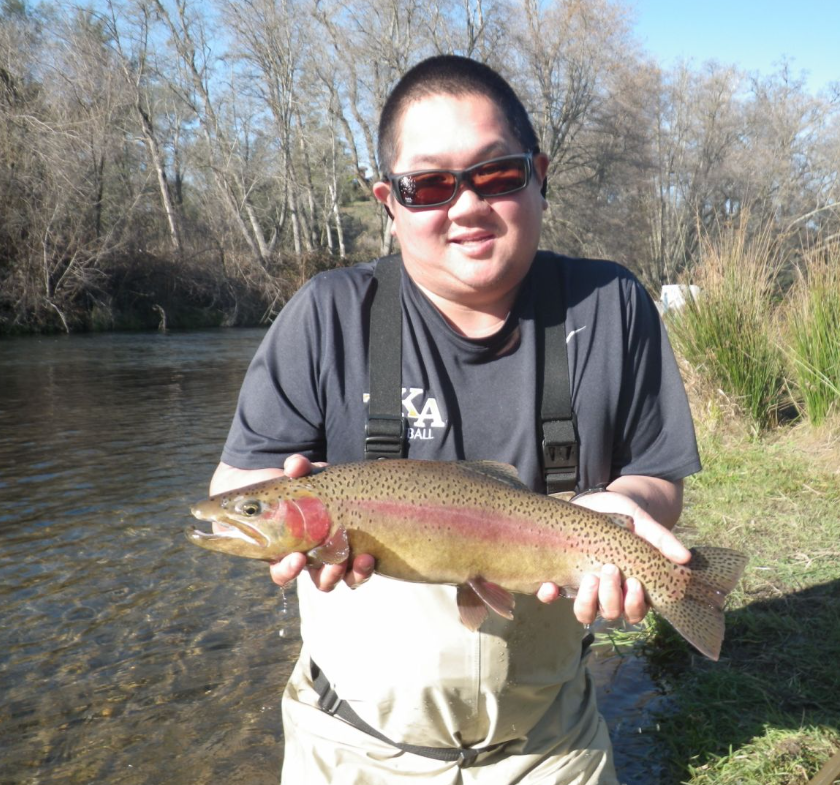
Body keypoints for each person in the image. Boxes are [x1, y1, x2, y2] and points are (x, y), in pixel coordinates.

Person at [209, 54, 701, 784]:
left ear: (539, 175)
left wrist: (627, 511)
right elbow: (235, 486)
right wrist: (285, 506)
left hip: (550, 745)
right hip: (349, 748)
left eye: (496, 174)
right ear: (389, 201)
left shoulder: (610, 306)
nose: (466, 206)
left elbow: (656, 475)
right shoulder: (326, 315)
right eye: (430, 185)